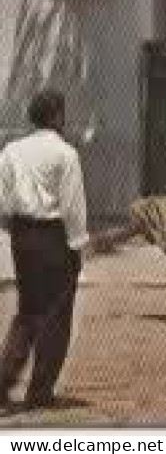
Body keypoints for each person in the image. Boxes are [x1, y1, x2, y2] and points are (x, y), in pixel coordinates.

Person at [0, 91, 88, 410]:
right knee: (56, 313)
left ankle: (4, 379)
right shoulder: (65, 154)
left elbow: (2, 198)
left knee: (28, 311)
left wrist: (16, 228)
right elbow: (72, 206)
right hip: (53, 236)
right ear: (57, 116)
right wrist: (78, 246)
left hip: (23, 235)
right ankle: (40, 389)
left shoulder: (11, 151)